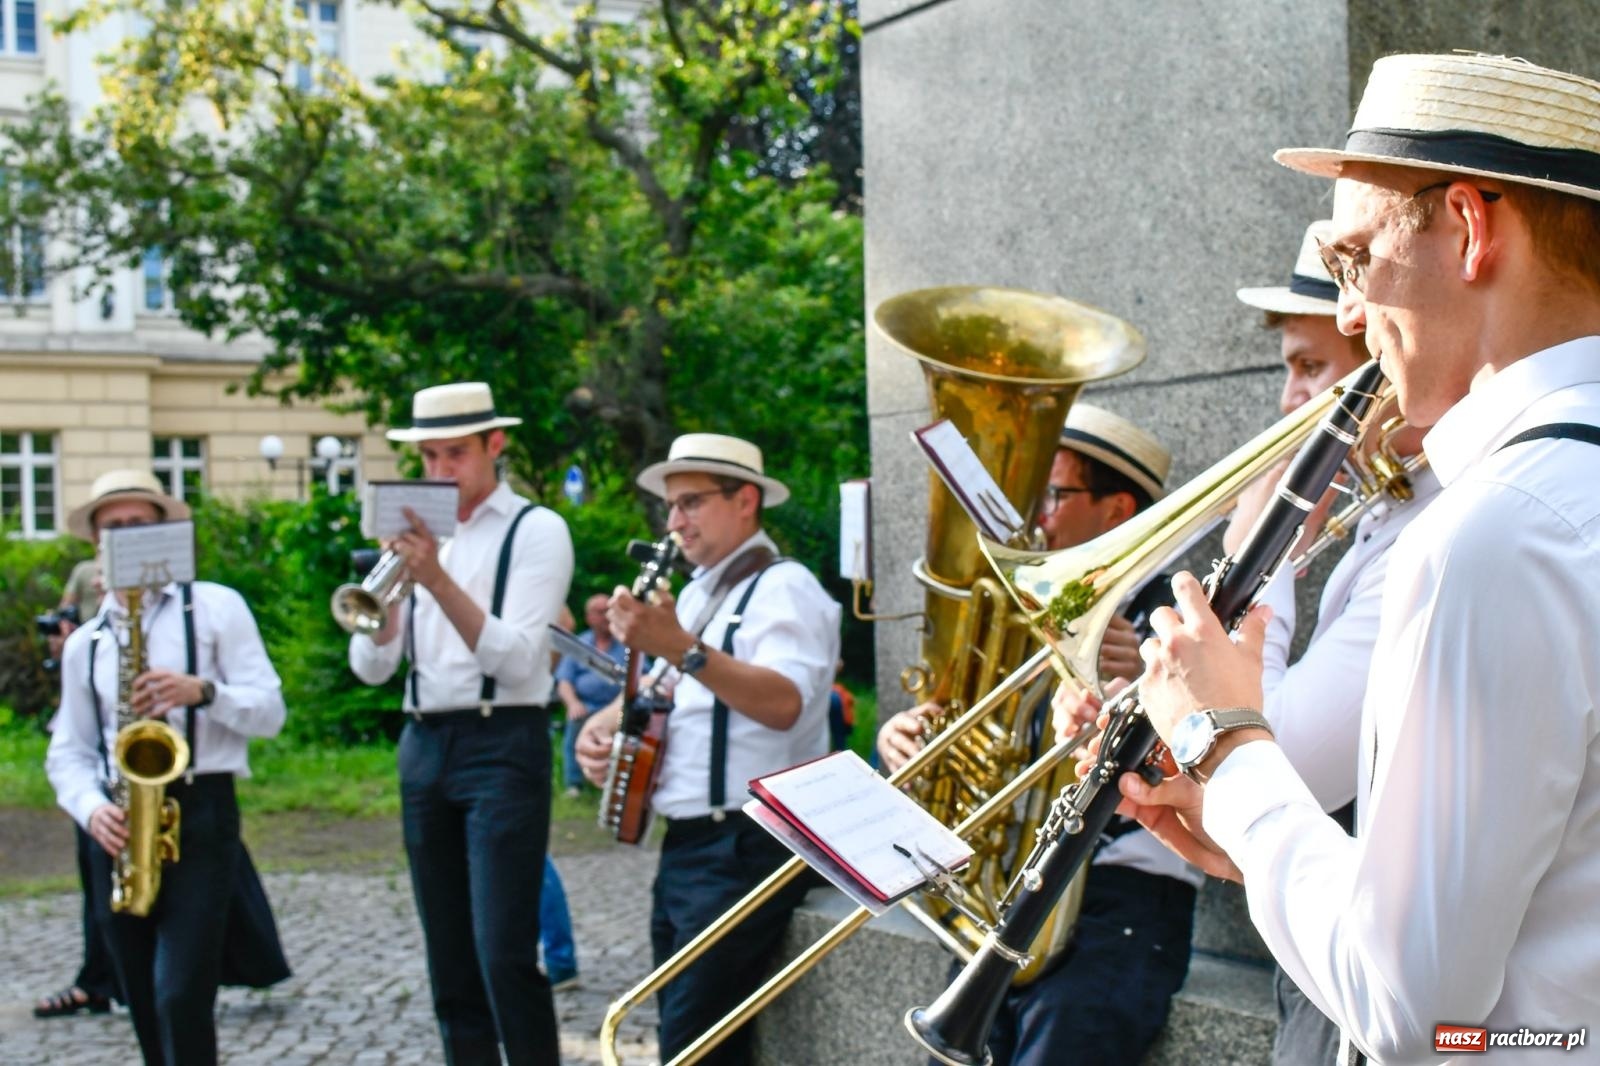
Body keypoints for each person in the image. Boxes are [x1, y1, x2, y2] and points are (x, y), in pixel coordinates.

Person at [1116, 53, 1600, 1064]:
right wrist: (1267, 834)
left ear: (1468, 228)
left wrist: (1224, 740)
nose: (1345, 314)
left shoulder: (1493, 530)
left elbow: (1420, 1017)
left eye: (1355, 259)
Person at [877, 406, 1199, 1066]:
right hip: (1019, 886)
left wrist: (1130, 681)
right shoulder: (1035, 612)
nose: (1038, 517)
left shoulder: (1177, 615)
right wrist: (916, 741)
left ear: (1115, 510)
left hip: (1124, 905)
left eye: (1054, 493)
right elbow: (986, 733)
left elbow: (1205, 756)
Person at [1234, 220, 1436, 1066]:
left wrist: (1261, 556)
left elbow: (1288, 763)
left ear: (1381, 362)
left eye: (1310, 368)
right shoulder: (1389, 508)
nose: (1289, 402)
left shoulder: (1436, 524)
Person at [574, 432, 841, 1066]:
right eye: (670, 506)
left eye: (690, 502)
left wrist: (678, 646)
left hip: (747, 844)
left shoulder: (786, 586)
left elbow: (785, 705)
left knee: (694, 1046)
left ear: (745, 500)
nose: (674, 522)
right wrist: (604, 726)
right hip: (694, 844)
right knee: (687, 1034)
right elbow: (674, 692)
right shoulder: (699, 592)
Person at [348, 381, 574, 1066]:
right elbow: (370, 668)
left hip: (503, 741)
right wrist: (390, 595)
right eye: (429, 456)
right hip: (424, 743)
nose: (441, 471)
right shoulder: (414, 535)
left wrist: (438, 581)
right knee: (448, 960)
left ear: (494, 445)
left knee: (502, 953)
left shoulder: (536, 529)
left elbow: (517, 660)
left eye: (455, 454)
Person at [45, 469, 289, 1064]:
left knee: (181, 992)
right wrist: (91, 808)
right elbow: (68, 752)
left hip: (200, 810)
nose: (127, 537)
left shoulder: (216, 608)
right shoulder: (89, 641)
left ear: (165, 533)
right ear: (97, 543)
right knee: (140, 995)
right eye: (114, 528)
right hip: (118, 820)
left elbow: (271, 713)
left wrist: (202, 692)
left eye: (139, 526)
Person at [554, 593, 626, 797]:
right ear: (589, 618)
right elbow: (564, 681)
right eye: (600, 612)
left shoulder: (628, 645)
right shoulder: (579, 645)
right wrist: (573, 703)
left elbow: (643, 678)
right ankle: (574, 784)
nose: (606, 616)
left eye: (609, 611)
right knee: (575, 721)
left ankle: (617, 786)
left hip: (616, 707)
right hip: (586, 705)